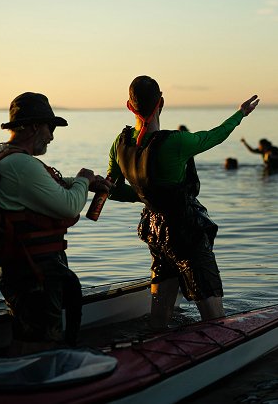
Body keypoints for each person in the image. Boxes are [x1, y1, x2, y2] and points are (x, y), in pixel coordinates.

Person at [107, 75, 259, 329]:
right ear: (161, 103)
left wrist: (147, 194)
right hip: (185, 231)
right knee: (212, 310)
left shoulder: (120, 143)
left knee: (161, 309)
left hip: (154, 230)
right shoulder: (175, 142)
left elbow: (112, 190)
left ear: (129, 106)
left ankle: (154, 344)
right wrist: (240, 113)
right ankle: (218, 349)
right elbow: (216, 136)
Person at [0, 92, 111, 355]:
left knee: (29, 336)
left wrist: (79, 184)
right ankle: (31, 389)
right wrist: (83, 180)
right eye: (50, 127)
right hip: (34, 271)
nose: (52, 136)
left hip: (19, 267)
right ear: (34, 126)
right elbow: (69, 206)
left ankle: (20, 382)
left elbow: (40, 186)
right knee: (38, 344)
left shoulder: (4, 157)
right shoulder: (21, 163)